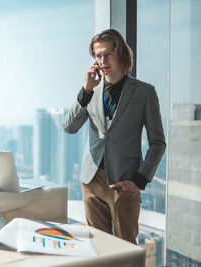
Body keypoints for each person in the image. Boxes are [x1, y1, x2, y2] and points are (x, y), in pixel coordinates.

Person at [62, 29, 166, 244]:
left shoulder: (144, 92)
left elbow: (157, 142)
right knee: (99, 247)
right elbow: (69, 127)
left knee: (125, 248)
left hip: (124, 181)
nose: (102, 61)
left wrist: (139, 180)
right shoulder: (91, 90)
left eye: (108, 54)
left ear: (121, 55)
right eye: (98, 56)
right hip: (91, 181)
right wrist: (86, 90)